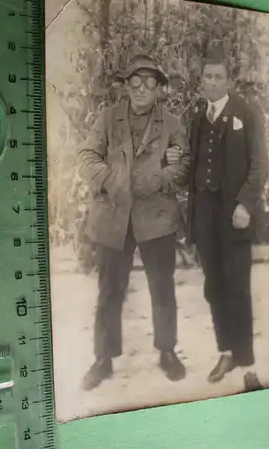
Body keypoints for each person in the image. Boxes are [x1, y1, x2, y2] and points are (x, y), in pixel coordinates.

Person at [79, 54, 189, 390]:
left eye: (149, 82)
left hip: (157, 218)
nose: (142, 89)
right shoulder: (108, 118)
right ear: (127, 86)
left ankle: (168, 352)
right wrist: (110, 180)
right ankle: (103, 358)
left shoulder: (172, 123)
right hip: (114, 216)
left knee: (162, 287)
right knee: (110, 289)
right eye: (135, 82)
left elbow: (184, 165)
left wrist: (158, 177)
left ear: (159, 88)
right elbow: (86, 157)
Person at [167, 47, 267, 391]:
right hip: (206, 216)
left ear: (229, 81)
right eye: (207, 77)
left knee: (237, 287)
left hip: (234, 214)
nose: (212, 82)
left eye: (218, 77)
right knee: (214, 287)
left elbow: (259, 165)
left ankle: (246, 364)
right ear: (201, 82)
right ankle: (226, 352)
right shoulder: (198, 118)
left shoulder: (246, 113)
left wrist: (245, 205)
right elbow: (192, 169)